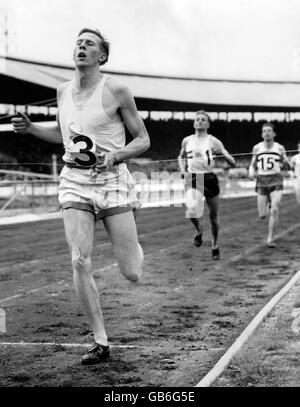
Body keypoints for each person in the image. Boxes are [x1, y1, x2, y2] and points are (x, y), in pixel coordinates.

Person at [11, 28, 150, 365]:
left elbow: (143, 139)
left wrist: (116, 156)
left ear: (101, 56)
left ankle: (132, 217)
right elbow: (62, 136)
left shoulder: (116, 89)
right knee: (79, 259)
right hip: (75, 182)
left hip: (113, 182)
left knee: (132, 271)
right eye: (78, 43)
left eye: (89, 44)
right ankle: (100, 340)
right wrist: (31, 128)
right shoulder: (61, 91)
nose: (81, 47)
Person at [178, 110, 236, 260]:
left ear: (208, 124)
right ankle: (199, 230)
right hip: (193, 177)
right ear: (193, 123)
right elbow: (180, 156)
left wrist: (222, 153)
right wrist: (182, 169)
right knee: (191, 209)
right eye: (197, 119)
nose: (200, 122)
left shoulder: (213, 141)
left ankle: (215, 244)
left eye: (203, 120)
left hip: (209, 178)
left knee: (213, 217)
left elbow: (232, 161)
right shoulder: (186, 140)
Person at [248, 122, 290, 248]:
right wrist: (251, 172)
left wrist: (286, 161)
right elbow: (252, 164)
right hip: (262, 180)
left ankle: (270, 238)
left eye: (269, 131)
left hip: (276, 179)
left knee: (275, 209)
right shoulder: (257, 148)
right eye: (264, 131)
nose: (267, 133)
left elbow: (287, 165)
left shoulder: (279, 148)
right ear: (262, 134)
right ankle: (270, 206)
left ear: (274, 133)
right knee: (262, 215)